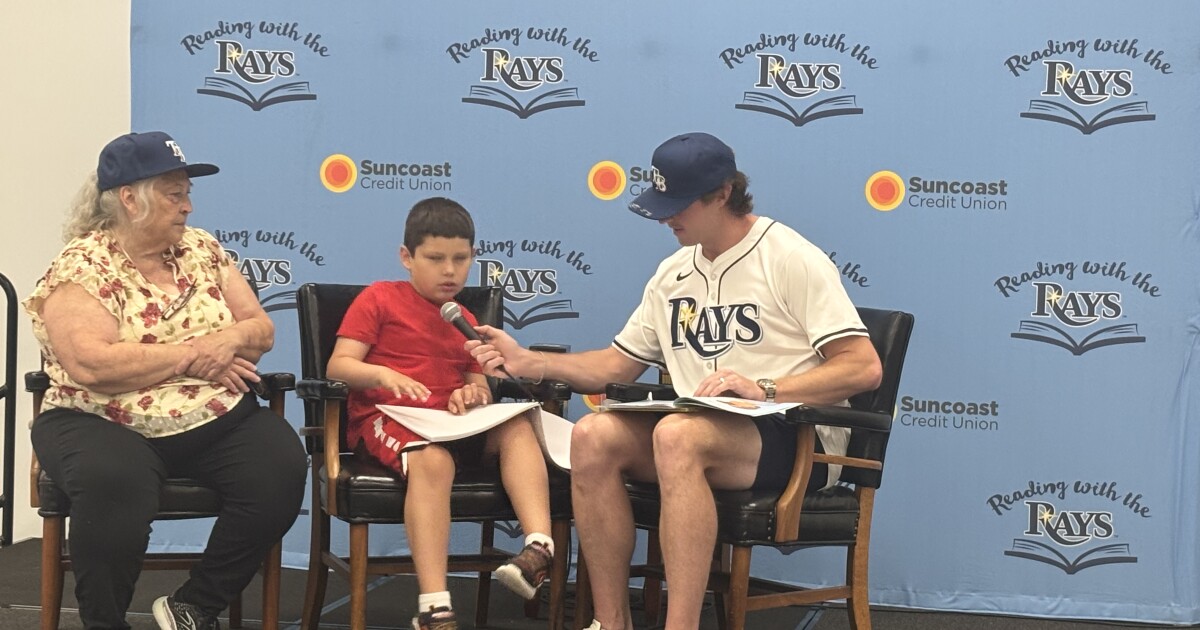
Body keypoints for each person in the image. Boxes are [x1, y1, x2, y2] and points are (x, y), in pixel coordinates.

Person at [468, 132, 883, 630]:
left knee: (675, 434)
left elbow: (863, 367)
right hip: (703, 430)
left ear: (723, 193)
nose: (666, 217)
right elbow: (615, 367)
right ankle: (611, 621)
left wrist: (765, 387)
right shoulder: (673, 272)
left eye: (679, 203)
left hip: (796, 440)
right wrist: (529, 360)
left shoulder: (789, 256)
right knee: (592, 435)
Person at [24, 131, 308, 630]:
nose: (188, 208)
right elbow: (93, 364)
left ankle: (194, 605)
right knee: (115, 482)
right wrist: (195, 352)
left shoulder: (202, 249)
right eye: (175, 195)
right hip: (99, 418)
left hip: (212, 411)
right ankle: (105, 623)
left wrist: (228, 341)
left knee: (280, 466)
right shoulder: (81, 265)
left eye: (188, 195)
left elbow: (260, 330)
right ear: (129, 199)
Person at [325, 197, 556, 630]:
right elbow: (338, 366)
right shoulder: (379, 298)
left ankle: (538, 550)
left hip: (449, 424)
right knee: (432, 458)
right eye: (435, 259)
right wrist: (383, 374)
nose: (449, 271)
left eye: (461, 259)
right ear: (407, 258)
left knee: (517, 425)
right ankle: (434, 605)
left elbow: (478, 384)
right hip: (390, 419)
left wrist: (471, 396)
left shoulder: (464, 317)